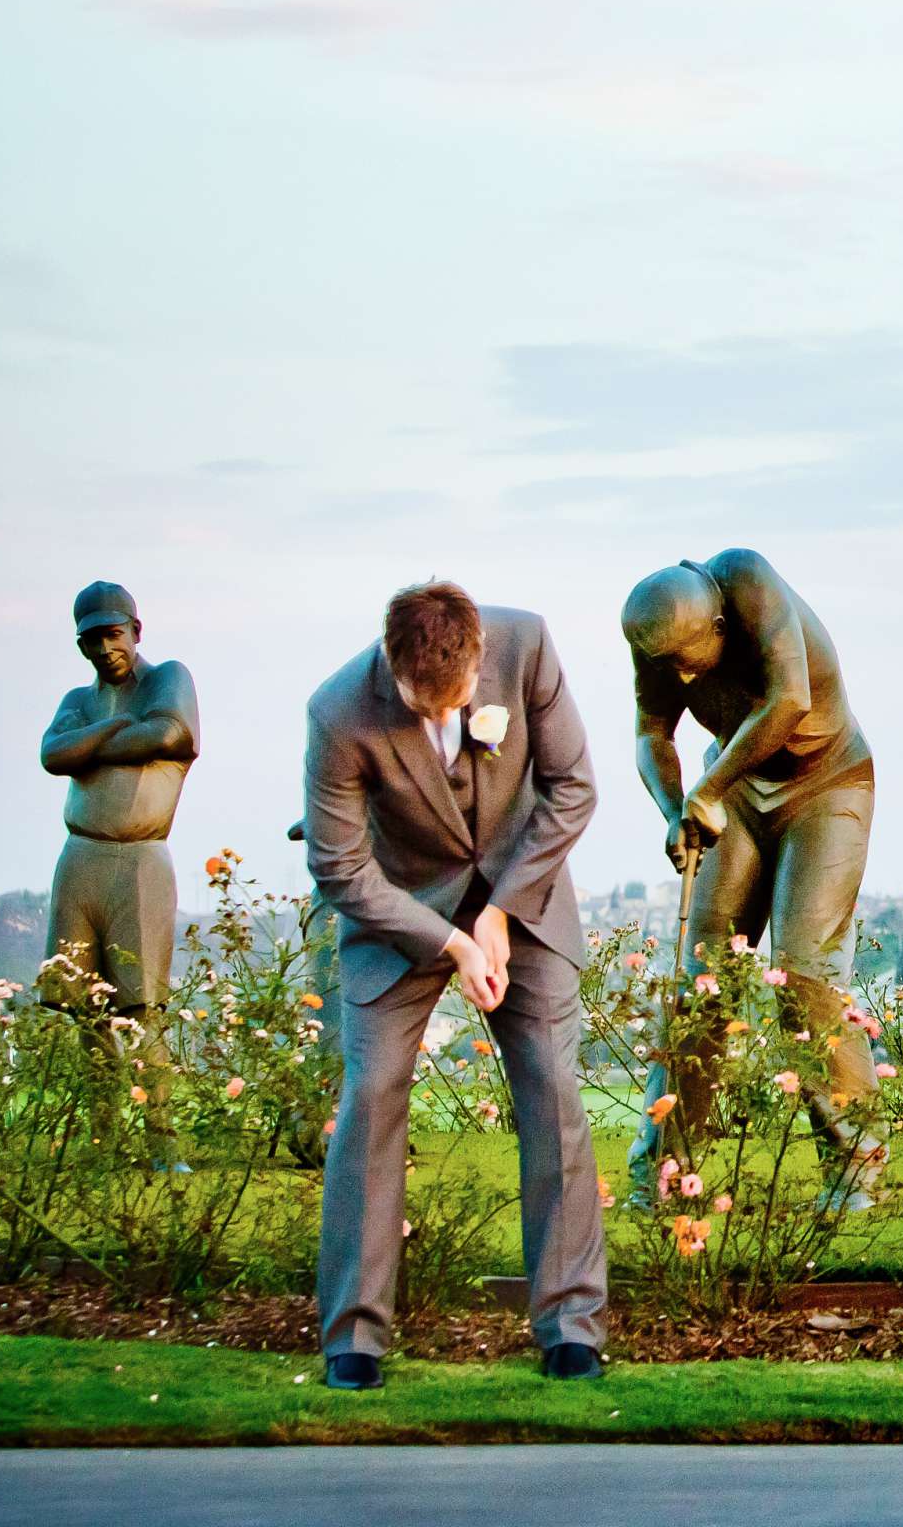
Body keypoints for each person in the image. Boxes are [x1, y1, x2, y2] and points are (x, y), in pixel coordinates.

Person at [302, 580, 607, 1389]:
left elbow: (573, 789)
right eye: (419, 705)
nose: (441, 722)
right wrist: (444, 939)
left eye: (456, 702)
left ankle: (571, 1326)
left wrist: (501, 914)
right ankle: (354, 1339)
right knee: (371, 1095)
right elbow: (337, 864)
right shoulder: (337, 712)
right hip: (399, 911)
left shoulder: (528, 645)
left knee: (552, 1086)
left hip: (522, 894)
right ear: (391, 663)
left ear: (478, 657)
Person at [619, 551, 883, 1212]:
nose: (679, 674)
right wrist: (679, 807)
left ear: (716, 623)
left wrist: (707, 787)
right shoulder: (655, 632)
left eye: (688, 658)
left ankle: (857, 1165)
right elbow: (652, 733)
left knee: (804, 976)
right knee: (704, 977)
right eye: (666, 665)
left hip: (827, 786)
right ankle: (665, 1172)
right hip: (736, 786)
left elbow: (789, 700)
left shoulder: (748, 582)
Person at [38, 582, 199, 1150]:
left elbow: (172, 732)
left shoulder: (167, 679)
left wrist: (89, 744)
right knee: (84, 1010)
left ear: (135, 630)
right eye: (91, 640)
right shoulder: (78, 700)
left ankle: (162, 1140)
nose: (104, 650)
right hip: (80, 859)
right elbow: (52, 755)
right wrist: (111, 730)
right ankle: (103, 1139)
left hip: (139, 860)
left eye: (113, 635)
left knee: (143, 1008)